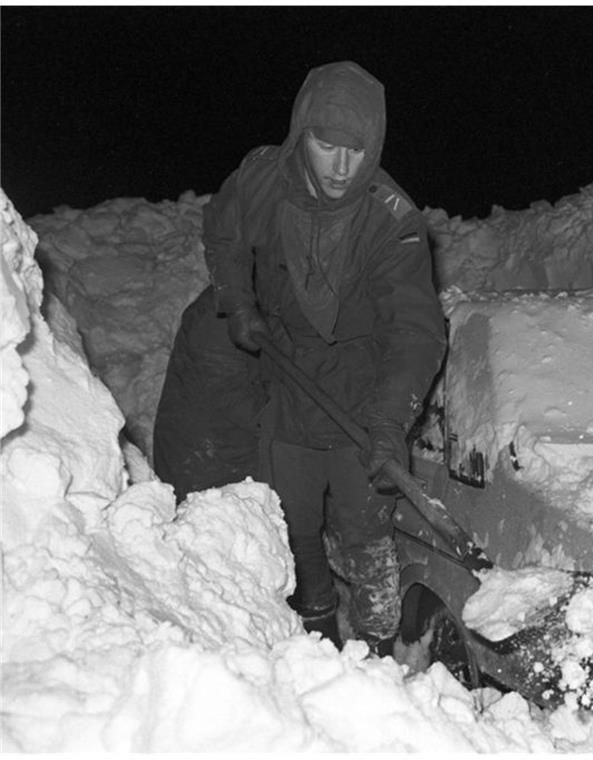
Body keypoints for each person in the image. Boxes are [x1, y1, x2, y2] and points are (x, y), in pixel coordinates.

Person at [201, 60, 447, 654]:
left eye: (357, 150)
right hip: (285, 387)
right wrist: (238, 300)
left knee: (366, 532)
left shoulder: (393, 222)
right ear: (300, 134)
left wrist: (389, 421)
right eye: (325, 144)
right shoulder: (260, 181)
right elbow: (224, 233)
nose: (341, 166)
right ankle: (316, 636)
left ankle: (383, 653)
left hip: (362, 395)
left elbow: (416, 331)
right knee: (295, 526)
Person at [153, 286, 267, 503]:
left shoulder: (258, 299)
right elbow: (229, 395)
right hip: (206, 460)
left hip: (229, 445)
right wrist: (292, 418)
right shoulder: (220, 315)